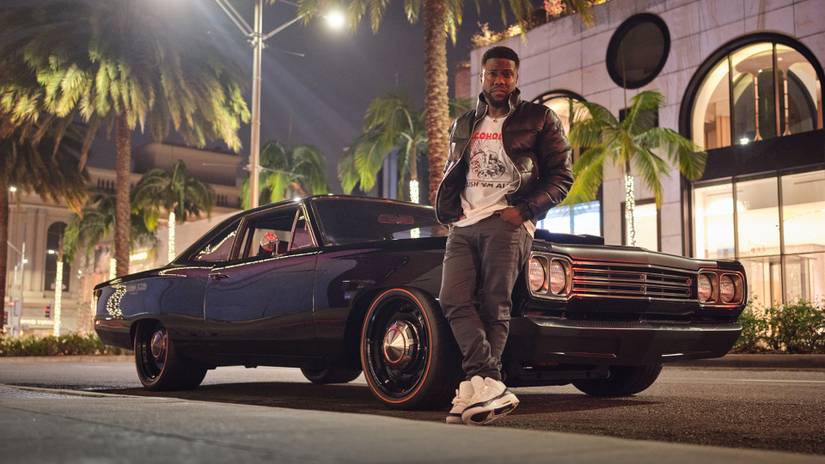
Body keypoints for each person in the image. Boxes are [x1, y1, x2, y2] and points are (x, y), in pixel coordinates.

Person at [434, 45, 573, 426]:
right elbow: (454, 169)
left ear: (516, 77)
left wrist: (524, 211)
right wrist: (451, 211)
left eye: (507, 74)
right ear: (482, 77)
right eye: (493, 73)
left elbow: (562, 176)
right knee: (452, 299)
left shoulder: (539, 118)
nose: (500, 80)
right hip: (464, 223)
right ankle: (488, 381)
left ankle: (476, 386)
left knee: (495, 304)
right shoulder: (465, 123)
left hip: (506, 221)